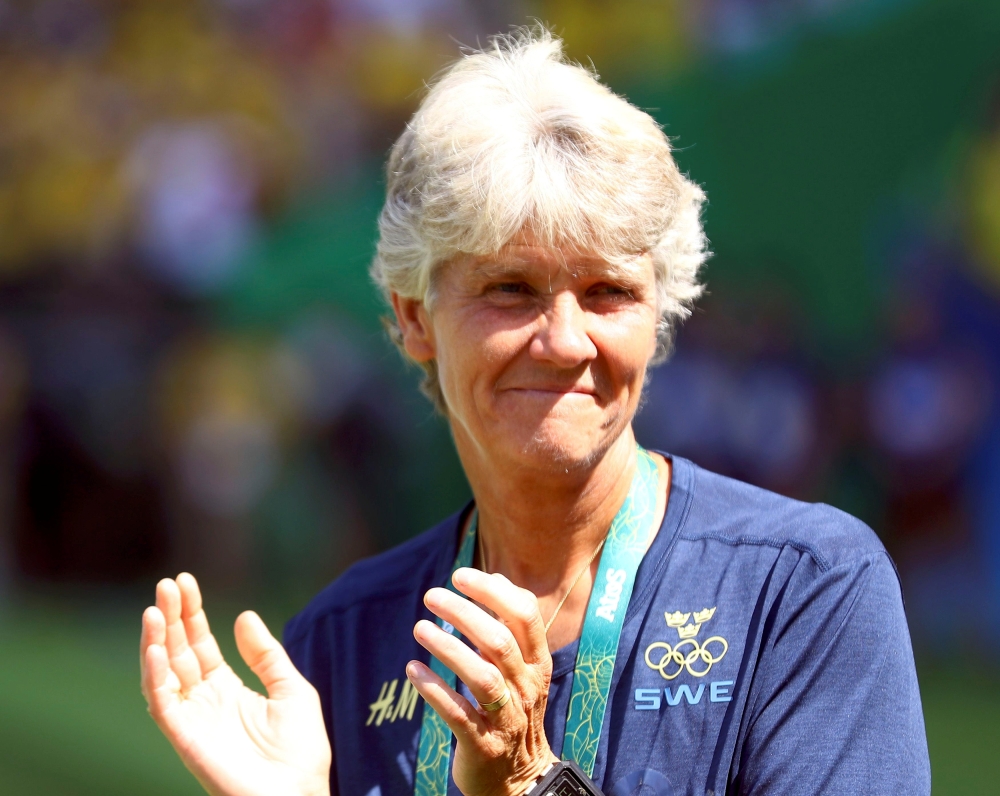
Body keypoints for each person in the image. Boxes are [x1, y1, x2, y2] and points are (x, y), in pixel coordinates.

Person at [139, 29, 931, 796]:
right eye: (510, 289)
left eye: (609, 293)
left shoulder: (804, 592)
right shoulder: (341, 640)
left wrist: (528, 784)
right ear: (414, 317)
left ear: (659, 315)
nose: (563, 341)